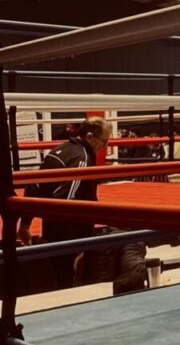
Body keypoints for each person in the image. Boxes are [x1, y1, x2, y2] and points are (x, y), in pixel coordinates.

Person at [17, 118, 113, 293]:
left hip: (53, 228)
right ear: (90, 137)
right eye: (104, 141)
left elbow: (34, 187)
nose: (105, 147)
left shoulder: (60, 149)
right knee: (70, 282)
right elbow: (67, 200)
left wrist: (25, 224)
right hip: (70, 233)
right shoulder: (81, 159)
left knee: (57, 279)